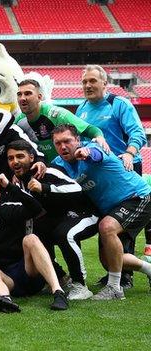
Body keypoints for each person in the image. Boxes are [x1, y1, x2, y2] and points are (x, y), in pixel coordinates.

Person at [51, 124, 151, 299]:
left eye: (67, 141)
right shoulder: (59, 164)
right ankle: (149, 269)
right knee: (108, 260)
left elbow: (95, 155)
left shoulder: (94, 147)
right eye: (58, 143)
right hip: (113, 209)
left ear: (78, 140)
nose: (63, 147)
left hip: (137, 197)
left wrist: (86, 153)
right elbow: (48, 171)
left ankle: (114, 289)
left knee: (107, 227)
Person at [76, 64, 151, 267]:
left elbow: (137, 133)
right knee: (109, 223)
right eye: (84, 81)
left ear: (104, 83)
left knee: (122, 226)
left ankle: (124, 276)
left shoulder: (119, 104)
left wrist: (129, 153)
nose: (88, 85)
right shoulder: (81, 109)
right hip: (100, 174)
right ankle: (115, 270)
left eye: (92, 81)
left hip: (126, 167)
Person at [6, 140, 98, 299]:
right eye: (11, 158)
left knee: (65, 234)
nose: (15, 161)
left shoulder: (48, 172)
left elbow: (77, 188)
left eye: (20, 156)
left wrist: (45, 188)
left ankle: (80, 285)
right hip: (59, 219)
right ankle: (60, 278)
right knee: (33, 234)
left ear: (32, 158)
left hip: (85, 214)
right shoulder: (19, 180)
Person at [0, 175, 69, 313]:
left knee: (30, 239)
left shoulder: (8, 209)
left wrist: (10, 186)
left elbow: (36, 208)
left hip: (26, 269)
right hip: (8, 279)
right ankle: (5, 301)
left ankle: (58, 292)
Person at [15, 79, 108, 162]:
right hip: (42, 169)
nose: (22, 98)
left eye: (28, 93)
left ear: (39, 97)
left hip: (67, 167)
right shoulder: (19, 121)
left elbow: (90, 129)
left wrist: (99, 137)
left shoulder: (57, 115)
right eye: (19, 94)